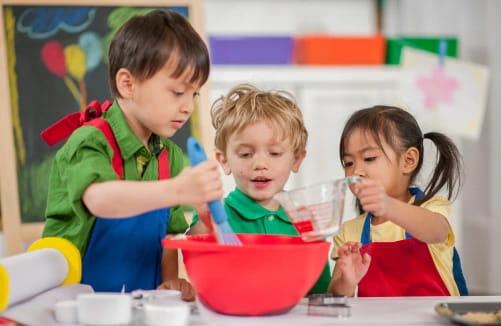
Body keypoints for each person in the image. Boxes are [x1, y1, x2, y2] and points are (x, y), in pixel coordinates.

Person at [40, 9, 223, 301]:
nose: (188, 107)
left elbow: (168, 239)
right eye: (177, 92)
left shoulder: (169, 157)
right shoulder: (90, 141)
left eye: (194, 94)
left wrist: (171, 283)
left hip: (137, 305)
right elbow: (100, 200)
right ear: (128, 84)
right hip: (71, 305)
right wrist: (177, 190)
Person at [189, 84, 331, 293]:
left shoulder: (306, 222)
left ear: (297, 159)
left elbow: (319, 294)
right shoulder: (217, 214)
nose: (260, 164)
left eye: (274, 153)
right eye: (246, 154)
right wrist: (206, 224)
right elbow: (197, 264)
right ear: (224, 160)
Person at [328, 105, 468, 297]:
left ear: (408, 160)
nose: (356, 171)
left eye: (369, 158)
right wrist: (347, 281)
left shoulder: (431, 209)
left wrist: (388, 206)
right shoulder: (349, 232)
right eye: (349, 163)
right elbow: (336, 295)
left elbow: (437, 232)